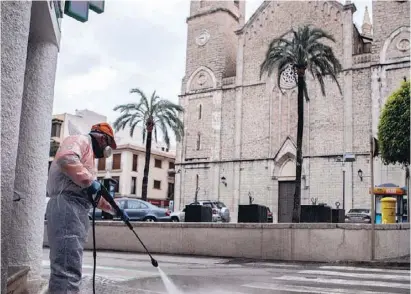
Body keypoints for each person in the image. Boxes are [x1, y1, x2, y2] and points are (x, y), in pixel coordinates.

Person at [46, 122, 117, 293]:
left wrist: (114, 208)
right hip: (67, 209)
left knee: (68, 266)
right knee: (67, 269)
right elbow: (66, 158)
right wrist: (90, 182)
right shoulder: (80, 140)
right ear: (101, 137)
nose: (108, 149)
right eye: (108, 143)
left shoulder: (88, 157)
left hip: (74, 210)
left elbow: (92, 192)